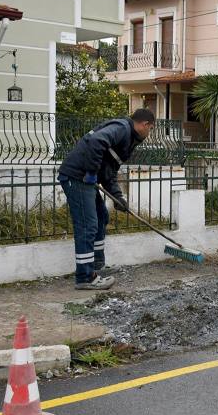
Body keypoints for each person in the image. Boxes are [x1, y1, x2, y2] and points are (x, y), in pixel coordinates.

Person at [58, 109, 155, 290]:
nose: (149, 133)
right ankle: (85, 277)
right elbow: (96, 141)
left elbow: (109, 171)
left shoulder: (129, 138)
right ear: (145, 124)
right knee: (87, 225)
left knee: (102, 217)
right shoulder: (122, 128)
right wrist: (91, 172)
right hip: (77, 177)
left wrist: (118, 197)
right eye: (151, 129)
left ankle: (96, 265)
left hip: (85, 179)